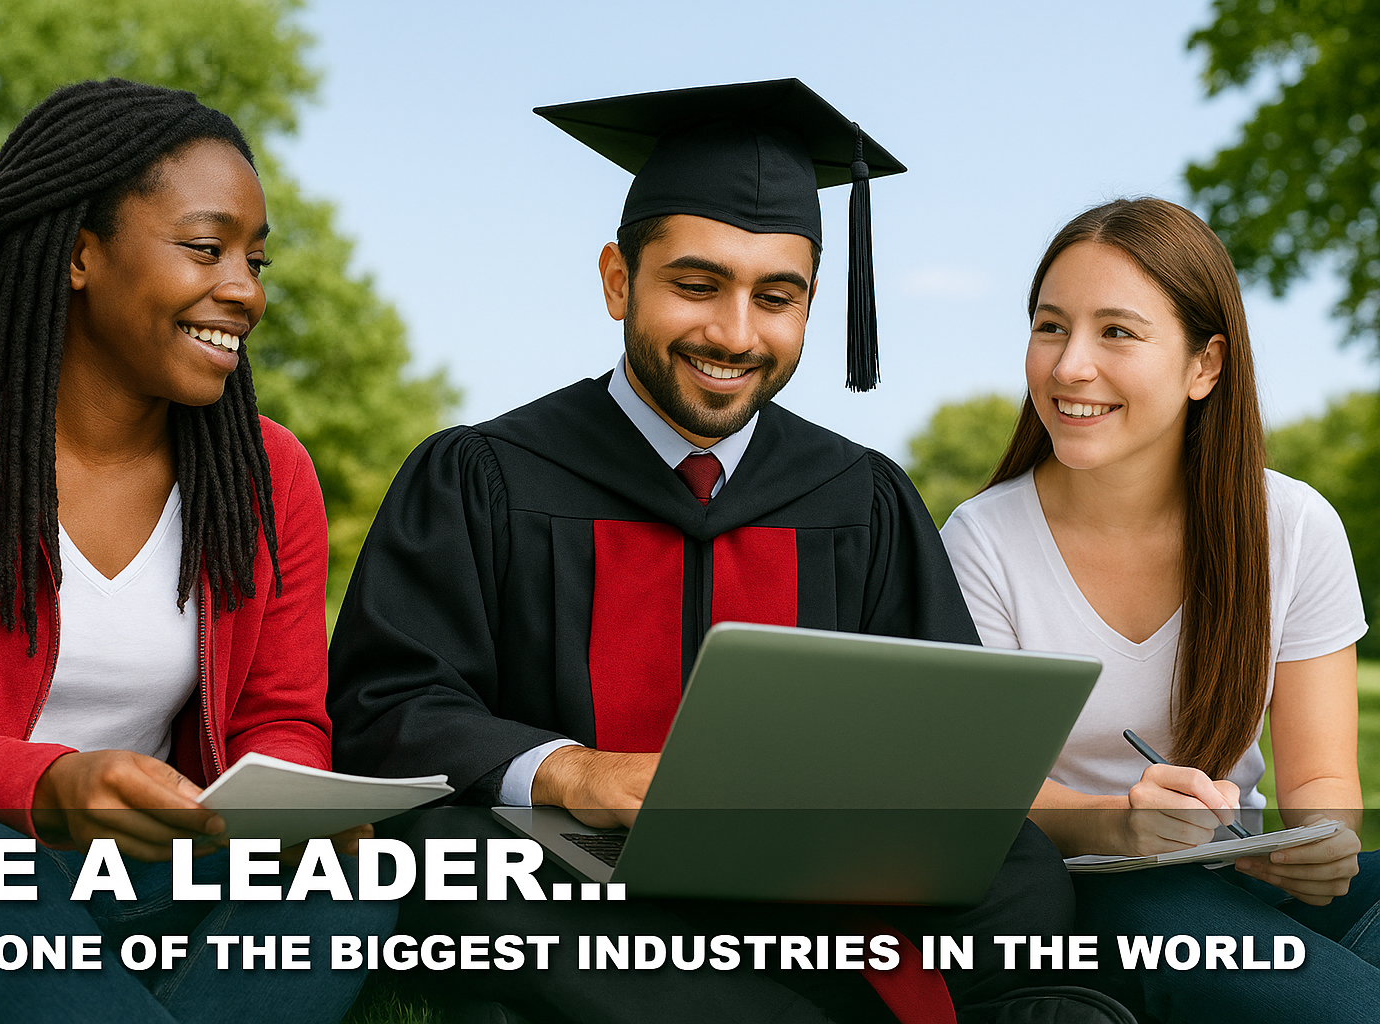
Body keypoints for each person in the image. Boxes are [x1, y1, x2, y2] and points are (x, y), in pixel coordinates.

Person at [328, 80, 1097, 1024]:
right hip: (571, 872)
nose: (734, 334)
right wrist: (574, 771)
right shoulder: (482, 475)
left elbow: (947, 740)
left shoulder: (859, 497)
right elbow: (388, 705)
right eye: (697, 285)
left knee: (1013, 867)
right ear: (619, 279)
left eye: (777, 297)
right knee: (456, 860)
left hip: (806, 875)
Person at [0, 79, 393, 1024]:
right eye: (205, 248)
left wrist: (294, 810)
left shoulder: (267, 476)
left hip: (158, 865)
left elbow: (282, 719)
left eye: (256, 261)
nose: (245, 291)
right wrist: (48, 784)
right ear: (79, 255)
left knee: (346, 885)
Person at [941, 197, 1380, 1022]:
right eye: (1050, 327)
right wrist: (1119, 824)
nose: (1070, 366)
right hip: (1094, 896)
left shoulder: (1291, 526)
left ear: (1205, 365)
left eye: (1117, 332)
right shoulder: (982, 540)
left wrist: (1320, 844)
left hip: (1241, 875)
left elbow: (1322, 778)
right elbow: (988, 792)